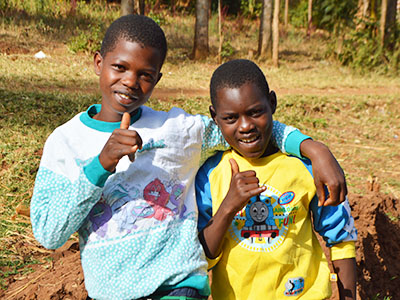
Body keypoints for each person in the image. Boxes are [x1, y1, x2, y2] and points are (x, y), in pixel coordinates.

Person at [30, 15, 348, 300]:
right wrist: (100, 164)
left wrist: (312, 148)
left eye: (145, 74)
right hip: (112, 291)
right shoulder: (65, 142)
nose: (130, 81)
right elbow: (49, 234)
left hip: (179, 285)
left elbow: (242, 125)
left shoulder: (177, 130)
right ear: (99, 62)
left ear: (157, 79)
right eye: (120, 67)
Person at [195, 59, 357, 300]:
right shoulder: (210, 175)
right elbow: (202, 257)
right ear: (214, 117)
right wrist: (228, 206)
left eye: (255, 112)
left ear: (272, 103)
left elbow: (341, 237)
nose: (246, 126)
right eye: (231, 118)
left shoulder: (304, 167)